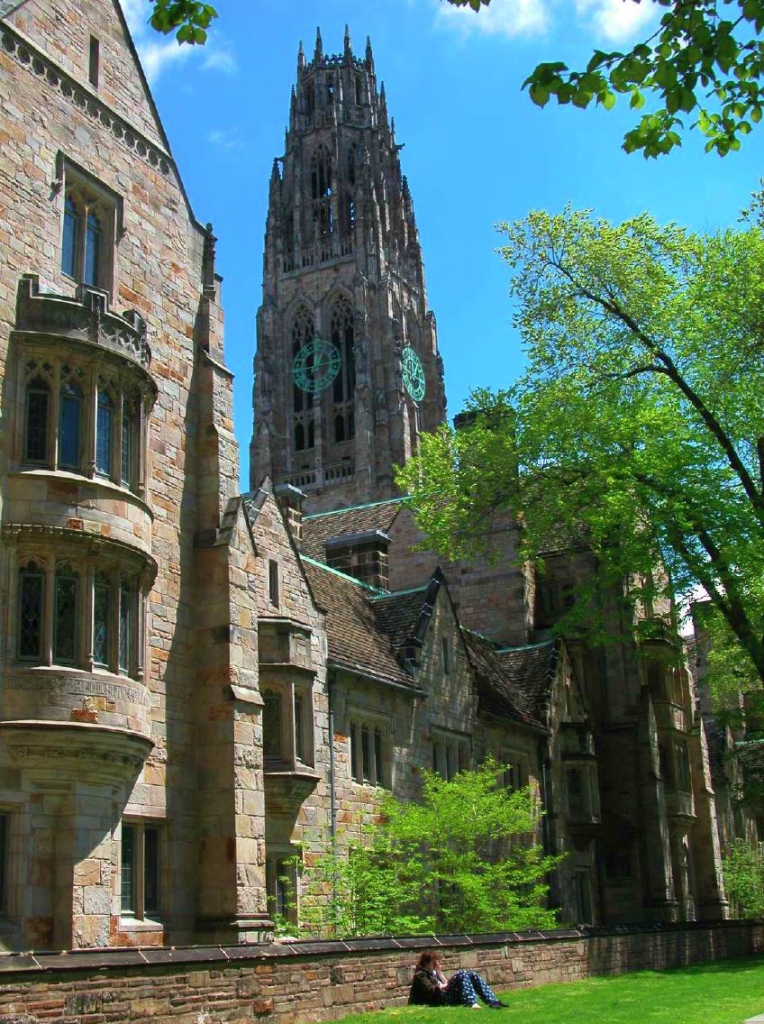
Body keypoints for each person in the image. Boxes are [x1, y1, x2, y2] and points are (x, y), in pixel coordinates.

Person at [408, 951, 509, 1009]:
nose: (436, 964)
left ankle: (493, 1001)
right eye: (434, 962)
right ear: (427, 962)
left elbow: (446, 984)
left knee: (472, 974)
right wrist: (444, 986)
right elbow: (431, 990)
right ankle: (471, 1002)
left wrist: (440, 973)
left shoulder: (434, 973)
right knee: (462, 973)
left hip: (444, 997)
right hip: (437, 1000)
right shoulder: (420, 975)